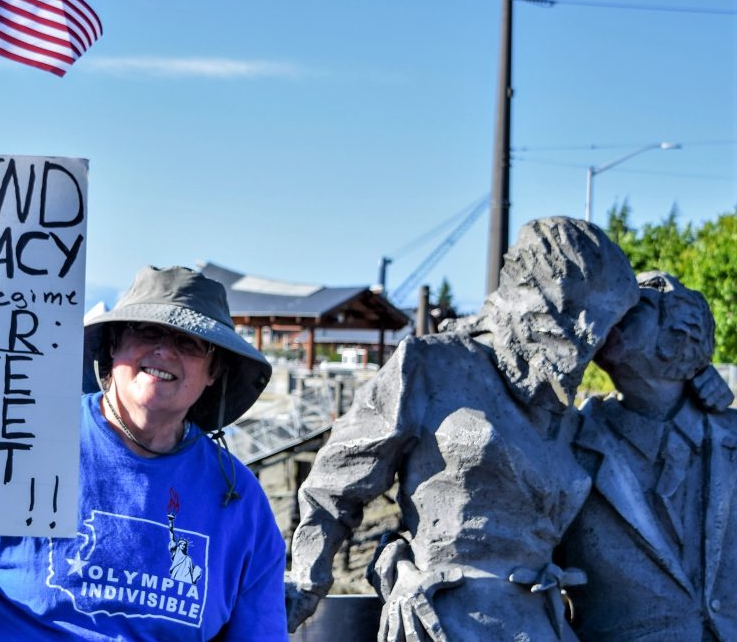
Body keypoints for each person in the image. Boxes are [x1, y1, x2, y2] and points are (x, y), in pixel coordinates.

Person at [0, 265, 287, 641]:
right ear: (114, 345)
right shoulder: (15, 439)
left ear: (214, 372)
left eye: (188, 342)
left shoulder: (241, 501)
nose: (164, 351)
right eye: (147, 332)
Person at [285, 217, 640, 641]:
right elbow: (335, 483)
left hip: (539, 625)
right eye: (574, 314)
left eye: (602, 324)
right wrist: (305, 584)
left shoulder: (567, 418)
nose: (588, 335)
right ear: (531, 295)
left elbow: (666, 317)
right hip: (442, 623)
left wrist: (696, 382)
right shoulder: (430, 365)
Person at [560, 271, 736, 641]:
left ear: (675, 338)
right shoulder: (569, 441)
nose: (609, 318)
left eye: (633, 311)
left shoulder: (730, 436)